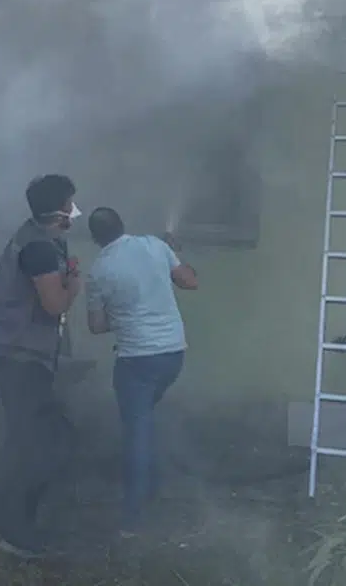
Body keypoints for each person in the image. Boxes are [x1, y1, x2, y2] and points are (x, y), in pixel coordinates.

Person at [0, 174, 83, 559]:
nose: (75, 209)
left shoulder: (37, 235)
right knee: (47, 443)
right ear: (60, 210)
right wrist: (74, 285)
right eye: (72, 202)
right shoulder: (38, 248)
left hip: (10, 352)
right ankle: (17, 532)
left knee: (26, 438)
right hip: (18, 357)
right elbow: (54, 304)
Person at [84, 207, 198, 535]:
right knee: (145, 422)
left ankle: (132, 520)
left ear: (94, 238)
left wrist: (123, 315)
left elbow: (96, 325)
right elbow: (190, 282)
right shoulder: (155, 246)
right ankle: (154, 486)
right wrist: (175, 253)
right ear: (123, 224)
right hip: (173, 355)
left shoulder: (99, 271)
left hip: (136, 361)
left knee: (136, 434)